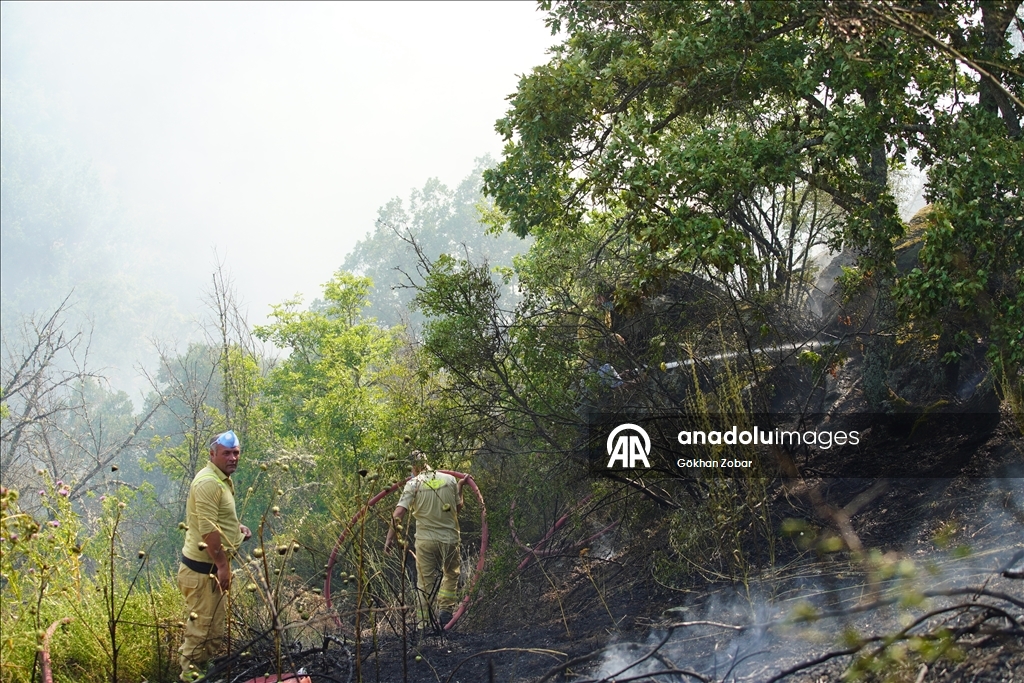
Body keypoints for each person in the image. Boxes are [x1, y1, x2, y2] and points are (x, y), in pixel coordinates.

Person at [178, 430, 251, 681]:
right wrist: (222, 566)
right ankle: (191, 677)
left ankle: (204, 674)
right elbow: (208, 530)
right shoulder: (208, 482)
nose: (233, 458)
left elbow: (217, 518)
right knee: (201, 633)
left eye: (236, 453)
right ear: (212, 454)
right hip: (203, 573)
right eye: (226, 453)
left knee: (212, 632)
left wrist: (236, 530)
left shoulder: (221, 479)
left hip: (211, 571)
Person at [384, 450, 464, 633]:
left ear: (413, 466)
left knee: (424, 584)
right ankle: (445, 611)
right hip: (450, 539)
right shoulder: (450, 479)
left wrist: (389, 538)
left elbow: (398, 514)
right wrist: (461, 487)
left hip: (426, 542)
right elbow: (457, 508)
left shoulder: (413, 484)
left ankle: (423, 625)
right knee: (451, 574)